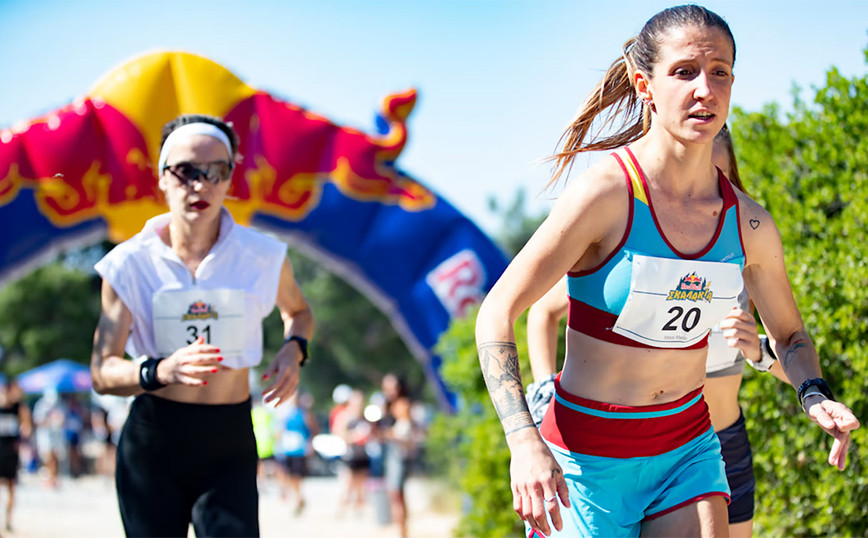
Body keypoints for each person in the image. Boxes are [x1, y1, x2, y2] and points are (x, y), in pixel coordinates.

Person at [474, 6, 860, 537]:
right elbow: (497, 312)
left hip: (687, 451)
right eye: (684, 72)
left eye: (720, 72)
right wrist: (523, 440)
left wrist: (813, 393)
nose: (705, 89)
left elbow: (790, 336)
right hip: (587, 460)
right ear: (645, 86)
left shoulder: (749, 223)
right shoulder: (606, 193)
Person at [525, 125, 790, 538]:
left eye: (714, 173)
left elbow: (790, 353)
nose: (697, 184)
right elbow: (541, 309)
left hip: (711, 444)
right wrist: (542, 391)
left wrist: (758, 352)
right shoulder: (634, 246)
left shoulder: (740, 251)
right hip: (614, 442)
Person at [90, 114, 314, 537]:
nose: (201, 185)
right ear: (162, 177)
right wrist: (161, 370)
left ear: (230, 178)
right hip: (154, 442)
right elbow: (102, 372)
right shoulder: (128, 264)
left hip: (229, 437)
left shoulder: (264, 256)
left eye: (216, 171)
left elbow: (299, 313)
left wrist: (294, 349)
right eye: (186, 171)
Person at [276, 391, 319, 515]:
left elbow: (313, 430)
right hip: (287, 449)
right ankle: (297, 497)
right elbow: (280, 431)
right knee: (288, 475)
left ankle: (298, 497)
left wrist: (310, 443)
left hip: (299, 450)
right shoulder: (285, 414)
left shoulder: (304, 414)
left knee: (297, 476)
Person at [0, 380, 29, 532]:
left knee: (11, 487)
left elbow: (26, 426)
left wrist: (23, 434)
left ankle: (8, 522)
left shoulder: (18, 408)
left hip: (11, 453)